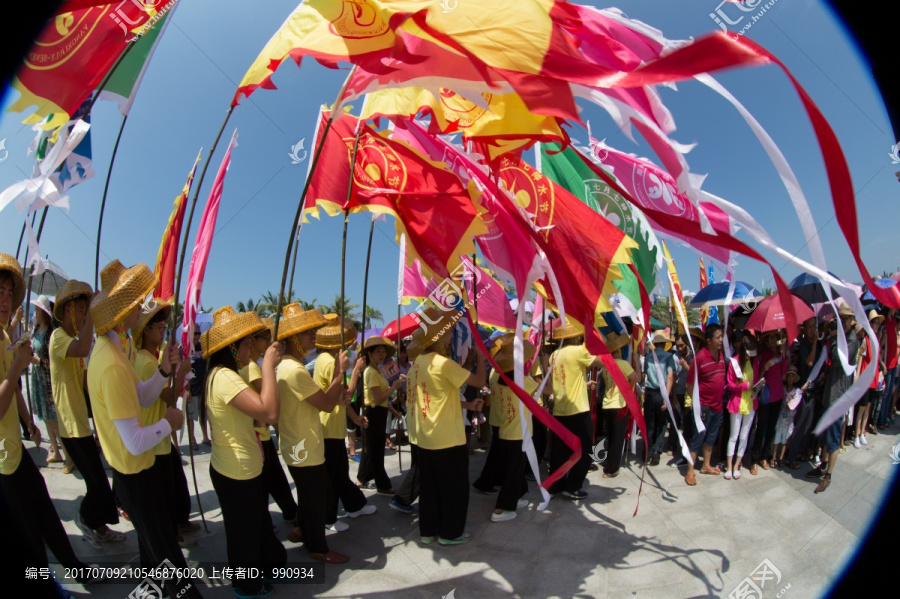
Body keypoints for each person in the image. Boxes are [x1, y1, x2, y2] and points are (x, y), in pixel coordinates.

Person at [87, 260, 199, 598]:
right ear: (123, 312)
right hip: (134, 474)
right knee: (170, 562)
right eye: (137, 304)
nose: (142, 308)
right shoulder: (110, 364)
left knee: (155, 555)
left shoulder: (116, 351)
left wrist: (164, 371)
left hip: (138, 470)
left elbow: (141, 394)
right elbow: (135, 441)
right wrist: (170, 423)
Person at [0, 254, 93, 592]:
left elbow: (13, 394)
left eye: (10, 293)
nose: (6, 299)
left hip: (14, 449)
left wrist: (28, 423)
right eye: (0, 292)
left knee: (44, 512)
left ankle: (75, 570)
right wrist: (16, 368)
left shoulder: (3, 334)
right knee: (30, 531)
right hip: (3, 460)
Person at [203, 307, 286, 597]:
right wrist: (267, 367)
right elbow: (269, 413)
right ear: (232, 347)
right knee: (244, 534)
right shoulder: (226, 377)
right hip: (236, 471)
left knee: (249, 529)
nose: (252, 346)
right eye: (248, 342)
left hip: (237, 467)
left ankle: (256, 576)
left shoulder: (224, 373)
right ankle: (247, 585)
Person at [50, 278, 127, 547]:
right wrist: (94, 317)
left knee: (99, 482)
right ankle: (86, 519)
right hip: (70, 426)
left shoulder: (73, 340)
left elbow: (85, 385)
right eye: (81, 310)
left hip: (82, 424)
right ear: (69, 310)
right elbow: (83, 348)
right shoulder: (59, 338)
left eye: (86, 310)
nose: (84, 316)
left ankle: (100, 525)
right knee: (96, 482)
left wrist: (100, 422)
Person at [276, 303, 350, 563]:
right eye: (308, 332)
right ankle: (319, 547)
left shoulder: (288, 366)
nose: (313, 336)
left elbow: (320, 402)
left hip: (298, 442)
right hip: (304, 446)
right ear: (293, 338)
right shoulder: (295, 370)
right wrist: (340, 373)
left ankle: (305, 533)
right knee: (316, 499)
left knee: (309, 497)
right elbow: (327, 404)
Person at [408, 307, 485, 544]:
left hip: (425, 438)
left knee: (431, 489)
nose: (452, 337)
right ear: (439, 336)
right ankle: (450, 533)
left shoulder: (419, 362)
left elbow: (441, 395)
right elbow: (480, 381)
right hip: (448, 439)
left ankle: (428, 532)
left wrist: (467, 405)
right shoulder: (444, 363)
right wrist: (481, 356)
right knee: (454, 489)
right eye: (450, 333)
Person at [131, 300, 197, 546]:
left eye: (163, 328)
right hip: (154, 440)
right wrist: (180, 373)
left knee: (175, 486)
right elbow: (169, 397)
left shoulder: (150, 357)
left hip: (160, 437)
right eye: (158, 328)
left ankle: (177, 526)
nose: (162, 332)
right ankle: (172, 534)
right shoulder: (147, 362)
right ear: (145, 331)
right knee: (164, 495)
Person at [313, 315, 374, 533]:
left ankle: (354, 504)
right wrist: (356, 369)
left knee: (338, 472)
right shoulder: (330, 363)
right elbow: (346, 393)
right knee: (334, 475)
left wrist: (355, 417)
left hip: (332, 424)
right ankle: (329, 518)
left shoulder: (324, 360)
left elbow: (342, 400)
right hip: (329, 427)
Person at [239, 319, 297, 524]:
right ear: (253, 341)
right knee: (268, 481)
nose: (270, 342)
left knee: (274, 479)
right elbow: (268, 402)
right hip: (259, 436)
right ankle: (276, 518)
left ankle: (289, 511)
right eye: (266, 339)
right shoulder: (253, 368)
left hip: (260, 434)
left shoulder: (251, 366)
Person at [547, 317, 604, 499]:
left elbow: (568, 379)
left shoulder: (553, 355)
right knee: (585, 449)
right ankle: (573, 486)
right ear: (577, 336)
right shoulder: (579, 351)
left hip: (559, 409)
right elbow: (602, 363)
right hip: (578, 410)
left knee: (560, 451)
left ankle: (556, 486)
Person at [807, 304, 860, 493]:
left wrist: (835, 337)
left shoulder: (852, 341)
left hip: (839, 396)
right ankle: (823, 465)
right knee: (826, 433)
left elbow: (838, 359)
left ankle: (828, 474)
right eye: (841, 318)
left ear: (852, 320)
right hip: (831, 391)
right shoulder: (844, 338)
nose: (843, 322)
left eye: (846, 319)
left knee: (834, 437)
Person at [486, 334, 538, 522]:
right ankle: (501, 508)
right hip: (518, 432)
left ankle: (518, 494)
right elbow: (546, 390)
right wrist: (546, 367)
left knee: (515, 468)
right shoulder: (521, 380)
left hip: (506, 428)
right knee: (513, 470)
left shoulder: (497, 375)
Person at [357, 335, 405, 494]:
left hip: (380, 412)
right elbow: (377, 399)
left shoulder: (377, 370)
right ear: (370, 354)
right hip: (374, 413)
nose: (382, 355)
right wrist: (394, 387)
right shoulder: (371, 372)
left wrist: (393, 410)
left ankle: (363, 477)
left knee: (370, 449)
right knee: (376, 450)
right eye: (378, 351)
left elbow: (383, 398)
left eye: (384, 352)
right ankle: (382, 484)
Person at [684, 324, 728, 486]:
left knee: (711, 437)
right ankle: (690, 471)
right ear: (708, 341)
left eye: (721, 337)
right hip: (703, 407)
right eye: (717, 337)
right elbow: (689, 385)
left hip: (717, 406)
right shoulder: (699, 358)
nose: (721, 340)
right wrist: (697, 403)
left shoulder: (722, 355)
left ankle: (706, 465)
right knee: (697, 438)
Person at [29, 295, 67, 467]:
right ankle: (58, 454)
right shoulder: (36, 330)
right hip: (37, 379)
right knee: (45, 417)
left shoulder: (50, 333)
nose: (36, 313)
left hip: (47, 380)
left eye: (38, 310)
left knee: (53, 419)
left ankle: (68, 455)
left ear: (44, 312)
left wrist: (39, 361)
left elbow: (54, 360)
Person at [390, 339, 423, 514]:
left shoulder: (414, 368)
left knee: (419, 465)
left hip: (415, 418)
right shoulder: (418, 369)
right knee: (419, 466)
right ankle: (402, 498)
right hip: (417, 420)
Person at [724, 331, 761, 480]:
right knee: (734, 435)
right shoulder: (734, 362)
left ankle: (737, 465)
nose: (749, 356)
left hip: (751, 403)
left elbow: (757, 383)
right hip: (737, 402)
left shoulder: (755, 361)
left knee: (744, 435)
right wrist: (745, 386)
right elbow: (730, 385)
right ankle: (728, 466)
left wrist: (757, 388)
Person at [599, 332, 637, 478]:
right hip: (619, 405)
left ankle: (609, 463)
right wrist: (637, 365)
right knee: (618, 439)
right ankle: (611, 469)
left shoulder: (605, 366)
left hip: (607, 404)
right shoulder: (623, 364)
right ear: (619, 349)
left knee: (610, 437)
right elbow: (637, 378)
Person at [752, 331, 789, 470]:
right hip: (766, 397)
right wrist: (763, 369)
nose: (773, 340)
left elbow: (784, 374)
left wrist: (784, 355)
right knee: (761, 427)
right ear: (767, 340)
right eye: (770, 338)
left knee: (771, 429)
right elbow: (759, 377)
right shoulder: (764, 354)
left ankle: (764, 457)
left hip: (778, 396)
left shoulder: (780, 354)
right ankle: (754, 459)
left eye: (775, 337)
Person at [643, 331, 676, 466]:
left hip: (650, 392)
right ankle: (657, 450)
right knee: (662, 423)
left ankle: (647, 451)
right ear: (664, 343)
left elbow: (645, 374)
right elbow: (670, 376)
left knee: (649, 423)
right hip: (662, 392)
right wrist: (666, 397)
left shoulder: (648, 357)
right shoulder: (669, 357)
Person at [853, 310, 883, 447]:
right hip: (865, 377)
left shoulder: (876, 340)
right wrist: (858, 375)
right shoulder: (866, 339)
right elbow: (861, 359)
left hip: (874, 377)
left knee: (868, 407)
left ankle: (862, 432)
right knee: (862, 407)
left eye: (878, 323)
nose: (877, 325)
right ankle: (856, 434)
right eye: (875, 323)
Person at [186, 327, 210, 449]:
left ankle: (205, 437)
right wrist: (187, 389)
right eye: (195, 333)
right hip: (192, 386)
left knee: (203, 414)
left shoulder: (202, 347)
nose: (197, 336)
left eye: (198, 333)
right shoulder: (185, 349)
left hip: (202, 385)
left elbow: (207, 364)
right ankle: (192, 439)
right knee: (191, 415)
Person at [774, 367, 802, 466]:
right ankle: (773, 457)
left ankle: (781, 457)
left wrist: (790, 407)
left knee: (785, 437)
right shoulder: (783, 388)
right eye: (789, 376)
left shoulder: (796, 391)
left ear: (795, 379)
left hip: (789, 417)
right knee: (777, 436)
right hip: (780, 416)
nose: (790, 379)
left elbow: (795, 403)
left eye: (792, 377)